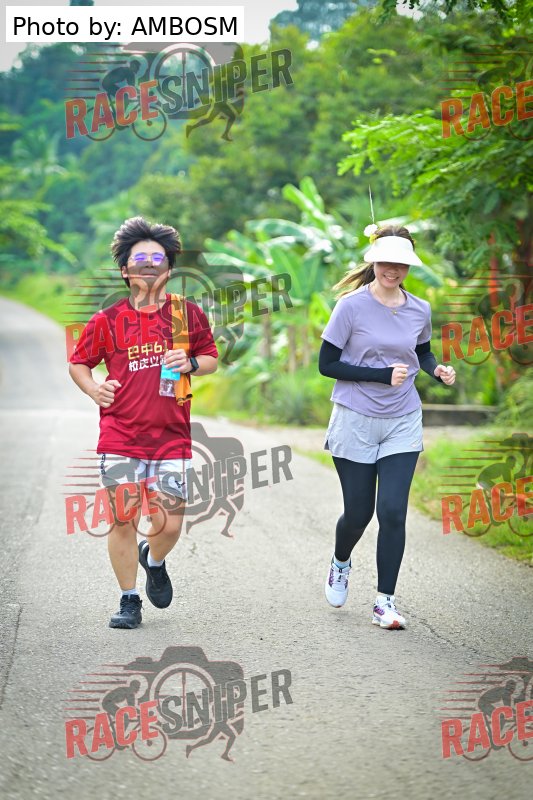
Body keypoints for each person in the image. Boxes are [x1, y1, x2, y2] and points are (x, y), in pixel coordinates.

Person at [69, 216, 218, 629]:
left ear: (169, 269)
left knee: (169, 524)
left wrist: (190, 362)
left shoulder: (186, 315)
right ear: (125, 270)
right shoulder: (107, 320)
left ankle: (152, 559)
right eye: (140, 259)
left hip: (171, 436)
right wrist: (93, 389)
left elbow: (210, 358)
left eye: (158, 258)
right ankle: (128, 599)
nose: (150, 264)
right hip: (120, 434)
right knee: (124, 518)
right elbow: (79, 363)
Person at [319, 224, 456, 629]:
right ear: (374, 261)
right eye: (386, 262)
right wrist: (379, 375)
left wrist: (436, 370)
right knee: (358, 514)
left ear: (409, 266)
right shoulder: (351, 307)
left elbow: (422, 352)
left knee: (393, 512)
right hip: (355, 418)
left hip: (403, 418)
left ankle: (385, 602)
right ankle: (340, 562)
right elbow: (327, 364)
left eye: (401, 264)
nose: (392, 270)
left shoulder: (419, 308)